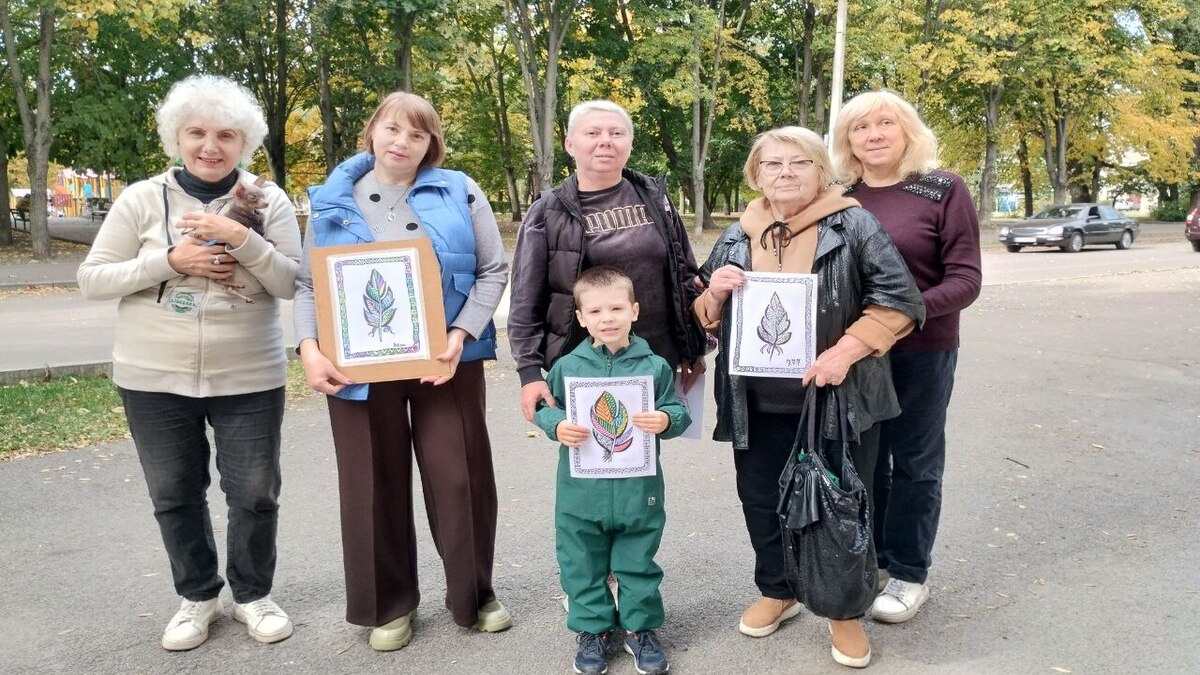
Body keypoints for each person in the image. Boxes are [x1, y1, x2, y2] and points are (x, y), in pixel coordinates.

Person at [76, 75, 302, 651]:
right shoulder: (140, 198)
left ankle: (253, 595)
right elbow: (92, 279)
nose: (210, 145)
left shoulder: (266, 200)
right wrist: (168, 260)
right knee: (175, 493)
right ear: (176, 137)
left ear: (243, 142)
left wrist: (240, 238)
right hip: (152, 376)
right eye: (197, 132)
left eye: (226, 134)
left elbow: (290, 281)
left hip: (248, 374)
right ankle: (197, 596)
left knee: (254, 492)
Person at [694, 126, 924, 668]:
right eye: (772, 165)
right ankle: (779, 590)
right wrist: (715, 292)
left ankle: (843, 614)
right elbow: (703, 314)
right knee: (761, 499)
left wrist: (845, 351)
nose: (785, 173)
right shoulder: (737, 233)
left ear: (821, 170)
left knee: (840, 505)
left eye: (799, 163)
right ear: (756, 175)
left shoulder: (854, 224)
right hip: (754, 401)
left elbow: (900, 300)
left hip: (837, 398)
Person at [294, 91, 510, 651]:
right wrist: (309, 349)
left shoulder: (460, 190)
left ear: (430, 144)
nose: (402, 142)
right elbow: (307, 286)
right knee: (371, 481)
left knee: (458, 475)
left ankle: (474, 593)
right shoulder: (332, 200)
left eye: (417, 134)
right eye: (392, 129)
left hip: (445, 360)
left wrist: (462, 334)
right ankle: (388, 605)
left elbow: (492, 270)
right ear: (372, 132)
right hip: (356, 367)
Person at [831, 90, 982, 624]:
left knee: (916, 463)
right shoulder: (839, 197)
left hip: (922, 350)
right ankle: (873, 559)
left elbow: (966, 280)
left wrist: (900, 317)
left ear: (907, 130)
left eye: (885, 123)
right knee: (866, 461)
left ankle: (910, 573)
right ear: (847, 140)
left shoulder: (942, 190)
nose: (873, 134)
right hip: (854, 354)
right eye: (860, 127)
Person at [508, 99, 708, 425]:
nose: (605, 140)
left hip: (651, 361)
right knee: (589, 453)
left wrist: (691, 346)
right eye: (592, 132)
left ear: (629, 144)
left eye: (616, 132)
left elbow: (684, 274)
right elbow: (525, 297)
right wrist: (529, 373)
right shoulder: (549, 211)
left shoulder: (654, 198)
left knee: (642, 456)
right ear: (570, 144)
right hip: (585, 362)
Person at [534, 266, 690, 675]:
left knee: (637, 560)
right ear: (582, 317)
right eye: (597, 310)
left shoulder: (654, 366)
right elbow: (546, 410)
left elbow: (676, 410)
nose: (608, 318)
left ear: (634, 311)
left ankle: (640, 629)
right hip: (580, 494)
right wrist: (556, 426)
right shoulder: (567, 366)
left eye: (617, 308)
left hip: (639, 491)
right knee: (580, 561)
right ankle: (593, 629)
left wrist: (666, 420)